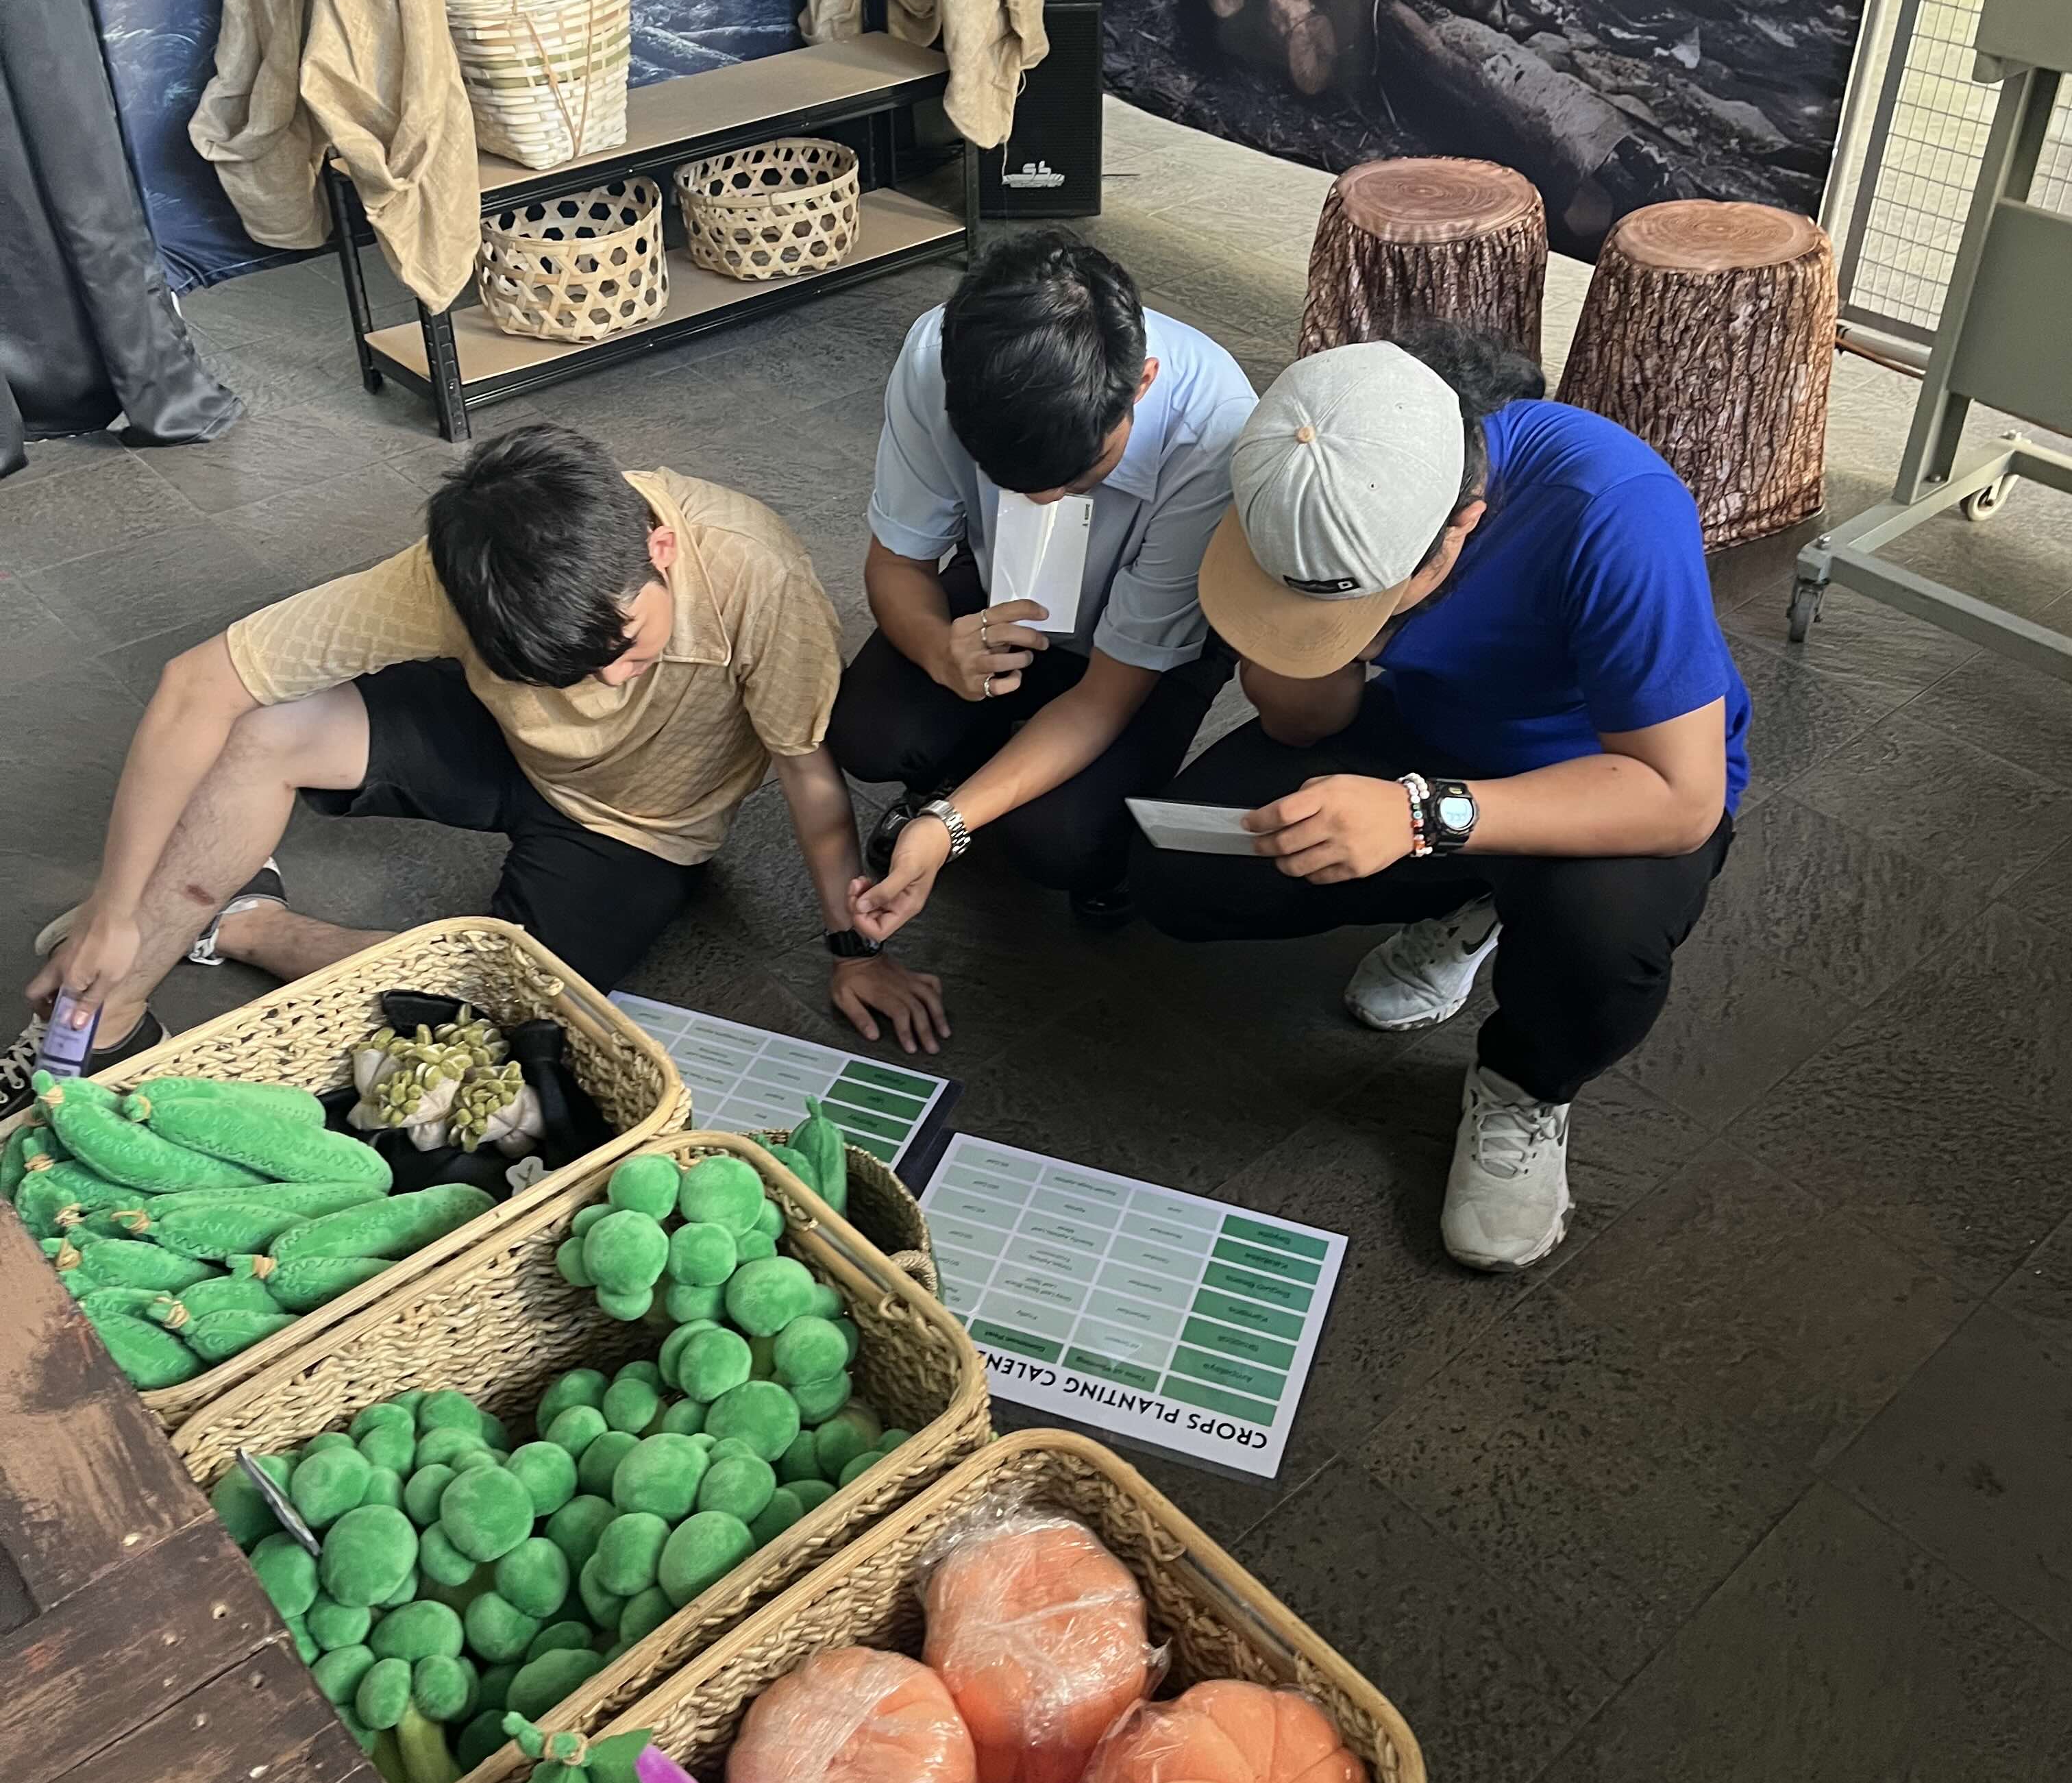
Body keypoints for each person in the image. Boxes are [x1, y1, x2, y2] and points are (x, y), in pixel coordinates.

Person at [5, 422, 945, 1116]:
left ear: (659, 550)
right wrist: (115, 914)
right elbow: (194, 688)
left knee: (495, 1026)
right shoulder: (471, 565)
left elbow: (807, 775)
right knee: (263, 731)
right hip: (503, 746)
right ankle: (110, 1020)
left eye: (627, 649)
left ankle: (251, 923)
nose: (610, 680)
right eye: (569, 667)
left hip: (636, 828)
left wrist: (853, 948)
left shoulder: (758, 577)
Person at [1134, 325, 1747, 1272]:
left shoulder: (1613, 506)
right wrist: (1309, 638)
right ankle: (1481, 896)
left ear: (1460, 527)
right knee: (1185, 873)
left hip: (1600, 775)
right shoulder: (1304, 461)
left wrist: (1418, 816)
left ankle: (1523, 1085)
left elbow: (1680, 796)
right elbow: (1304, 721)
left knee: (1600, 937)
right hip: (1425, 727)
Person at [828, 232, 1255, 935]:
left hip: (1142, 650)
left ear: (1142, 384)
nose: (1047, 506)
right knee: (870, 734)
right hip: (1004, 581)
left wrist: (946, 827)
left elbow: (1103, 698)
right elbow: (898, 563)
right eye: (1015, 484)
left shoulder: (1215, 431)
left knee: (1060, 840)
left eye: (1084, 475)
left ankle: (1017, 811)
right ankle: (970, 766)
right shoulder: (938, 356)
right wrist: (941, 649)